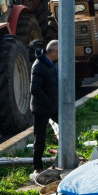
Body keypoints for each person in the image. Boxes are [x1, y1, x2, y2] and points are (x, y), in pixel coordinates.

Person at [30, 39, 59, 179]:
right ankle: (37, 167)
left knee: (66, 127)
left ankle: (66, 156)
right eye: (58, 52)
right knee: (39, 138)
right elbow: (34, 89)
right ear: (53, 52)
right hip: (42, 108)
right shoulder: (39, 66)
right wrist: (48, 103)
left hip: (52, 107)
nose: (60, 55)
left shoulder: (51, 64)